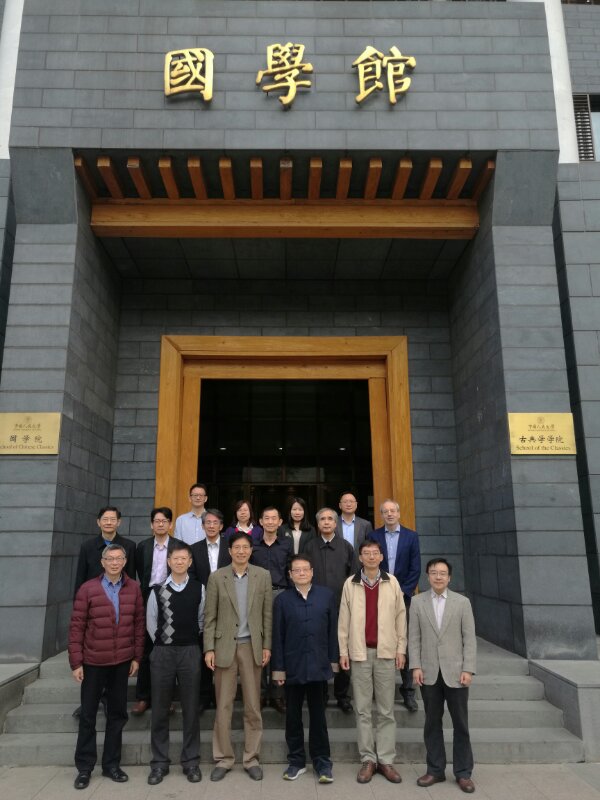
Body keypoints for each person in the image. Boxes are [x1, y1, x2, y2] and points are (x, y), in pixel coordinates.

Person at [68, 543, 144, 790]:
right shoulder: (88, 589)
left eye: (119, 558)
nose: (114, 563)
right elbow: (77, 626)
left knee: (117, 715)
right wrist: (76, 662)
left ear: (125, 562)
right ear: (102, 562)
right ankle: (84, 768)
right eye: (110, 559)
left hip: (121, 662)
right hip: (93, 662)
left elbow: (139, 625)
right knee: (88, 715)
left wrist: (136, 657)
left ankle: (111, 764)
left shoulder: (133, 588)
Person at [204, 531, 272, 782]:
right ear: (229, 551)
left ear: (251, 550)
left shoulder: (262, 576)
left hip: (252, 646)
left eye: (246, 547)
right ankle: (224, 758)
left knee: (253, 706)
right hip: (224, 647)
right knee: (223, 705)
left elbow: (267, 614)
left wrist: (267, 645)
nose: (241, 551)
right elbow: (209, 616)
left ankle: (251, 758)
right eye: (237, 547)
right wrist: (209, 648)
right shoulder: (217, 577)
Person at [338, 540, 406, 784]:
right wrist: (343, 651)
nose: (370, 557)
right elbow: (343, 620)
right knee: (363, 709)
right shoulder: (351, 583)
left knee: (386, 710)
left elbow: (400, 617)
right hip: (360, 653)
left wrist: (401, 649)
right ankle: (368, 759)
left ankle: (386, 760)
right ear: (360, 558)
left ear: (381, 557)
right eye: (366, 553)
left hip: (386, 653)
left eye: (375, 553)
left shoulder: (392, 582)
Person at [409, 558, 477, 794]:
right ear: (428, 576)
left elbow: (469, 639)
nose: (438, 577)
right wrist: (416, 666)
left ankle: (463, 773)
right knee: (432, 723)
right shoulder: (417, 602)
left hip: (456, 673)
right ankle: (435, 769)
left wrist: (468, 668)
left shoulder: (462, 602)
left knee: (461, 724)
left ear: (449, 577)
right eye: (434, 573)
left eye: (442, 573)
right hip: (428, 672)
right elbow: (414, 638)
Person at [272, 554, 338, 784]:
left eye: (305, 569)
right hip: (293, 666)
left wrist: (332, 661)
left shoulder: (326, 596)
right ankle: (296, 761)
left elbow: (332, 631)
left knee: (319, 717)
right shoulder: (282, 600)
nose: (301, 573)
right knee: (293, 717)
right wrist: (278, 669)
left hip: (318, 665)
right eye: (296, 570)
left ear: (312, 572)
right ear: (290, 575)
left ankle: (322, 762)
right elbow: (277, 636)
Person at [146, 540, 205, 785]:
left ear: (190, 562)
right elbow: (151, 623)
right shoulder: (156, 590)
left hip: (190, 651)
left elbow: (201, 619)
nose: (179, 562)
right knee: (160, 709)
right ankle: (159, 763)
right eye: (175, 559)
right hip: (163, 653)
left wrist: (188, 639)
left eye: (184, 559)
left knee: (191, 709)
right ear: (168, 562)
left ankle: (191, 762)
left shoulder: (199, 588)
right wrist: (164, 643)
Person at [72, 507, 136, 719]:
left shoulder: (129, 546)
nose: (109, 522)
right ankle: (89, 703)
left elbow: (131, 578)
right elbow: (80, 577)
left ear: (119, 522)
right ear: (98, 522)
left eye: (113, 519)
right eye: (105, 519)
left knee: (115, 662)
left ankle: (109, 701)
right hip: (93, 611)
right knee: (93, 664)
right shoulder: (87, 546)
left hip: (119, 610)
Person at [369, 498, 420, 712]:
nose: (389, 514)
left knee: (403, 641)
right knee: (378, 639)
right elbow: (370, 563)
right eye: (385, 511)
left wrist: (402, 592)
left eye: (393, 511)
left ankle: (408, 691)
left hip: (403, 597)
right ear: (381, 515)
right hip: (377, 594)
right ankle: (379, 690)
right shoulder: (374, 536)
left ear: (399, 513)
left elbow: (415, 568)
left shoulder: (411, 536)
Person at [304, 507, 354, 713]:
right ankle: (321, 695)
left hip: (342, 607)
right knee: (319, 651)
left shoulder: (346, 547)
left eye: (330, 519)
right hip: (316, 609)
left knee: (343, 650)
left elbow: (353, 577)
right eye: (322, 519)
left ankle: (342, 695)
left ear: (335, 523)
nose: (326, 522)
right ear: (318, 524)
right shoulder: (309, 547)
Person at [189, 508, 231, 712]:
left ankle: (222, 696)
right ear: (203, 526)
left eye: (215, 522)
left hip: (229, 604)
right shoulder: (193, 549)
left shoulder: (231, 547)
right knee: (205, 648)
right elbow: (191, 577)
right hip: (203, 605)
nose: (212, 526)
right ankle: (205, 695)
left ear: (221, 526)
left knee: (225, 649)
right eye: (208, 522)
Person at [132, 507, 173, 716]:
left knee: (169, 648)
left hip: (172, 596)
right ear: (151, 524)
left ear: (170, 524)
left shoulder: (178, 546)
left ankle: (166, 698)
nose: (160, 524)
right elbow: (140, 572)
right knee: (147, 647)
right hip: (148, 595)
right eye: (157, 521)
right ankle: (143, 697)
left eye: (164, 521)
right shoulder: (143, 547)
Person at [251, 506, 292, 713]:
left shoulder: (286, 544)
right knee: (258, 642)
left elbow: (290, 571)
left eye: (273, 518)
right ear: (260, 522)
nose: (269, 522)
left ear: (280, 522)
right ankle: (260, 693)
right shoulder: (252, 545)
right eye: (266, 518)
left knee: (278, 642)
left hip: (280, 594)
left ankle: (277, 693)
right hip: (256, 596)